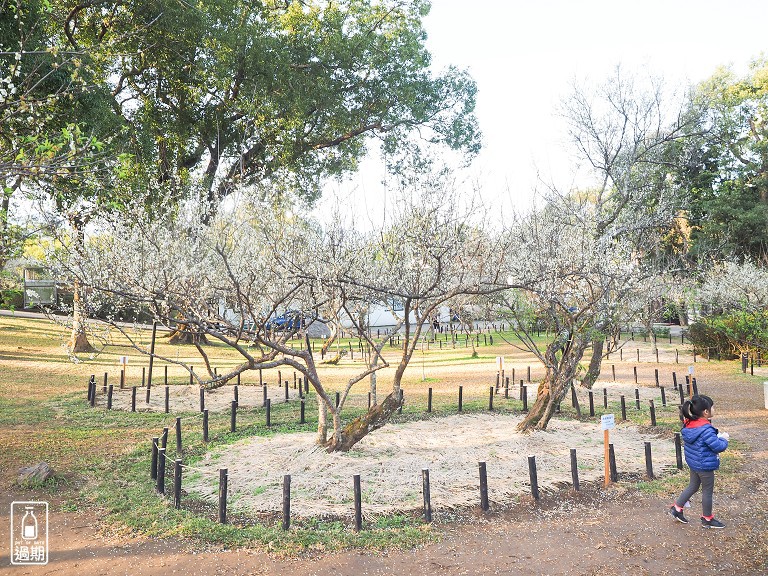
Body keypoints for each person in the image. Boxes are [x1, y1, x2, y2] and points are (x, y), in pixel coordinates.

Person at [668, 394, 730, 529]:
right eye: (712, 407)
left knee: (693, 486)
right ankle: (707, 519)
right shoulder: (706, 429)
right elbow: (718, 446)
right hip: (704, 465)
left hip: (694, 462)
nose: (714, 409)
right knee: (707, 491)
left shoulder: (690, 424)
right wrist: (724, 439)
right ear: (706, 412)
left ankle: (677, 508)